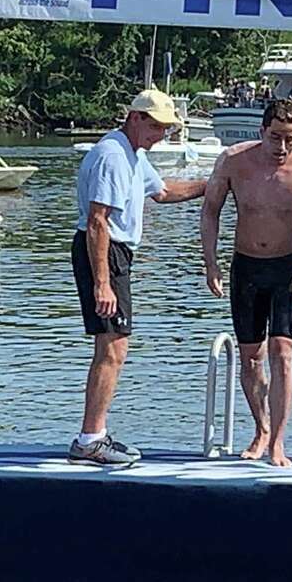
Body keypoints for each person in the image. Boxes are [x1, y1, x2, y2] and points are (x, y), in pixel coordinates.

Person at [68, 90, 208, 465]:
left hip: (115, 252)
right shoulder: (113, 156)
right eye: (156, 127)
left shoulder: (134, 153)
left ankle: (93, 435)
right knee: (112, 348)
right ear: (135, 118)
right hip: (104, 250)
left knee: (114, 346)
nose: (161, 135)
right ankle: (90, 440)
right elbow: (98, 221)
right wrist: (102, 282)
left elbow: (162, 192)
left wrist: (212, 186)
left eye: (166, 129)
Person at [200, 100, 292, 468]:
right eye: (275, 137)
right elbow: (210, 210)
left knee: (282, 352)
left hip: (288, 268)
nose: (281, 147)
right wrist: (210, 262)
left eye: (290, 139)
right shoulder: (233, 161)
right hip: (246, 267)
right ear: (261, 131)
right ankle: (261, 428)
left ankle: (277, 440)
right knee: (251, 357)